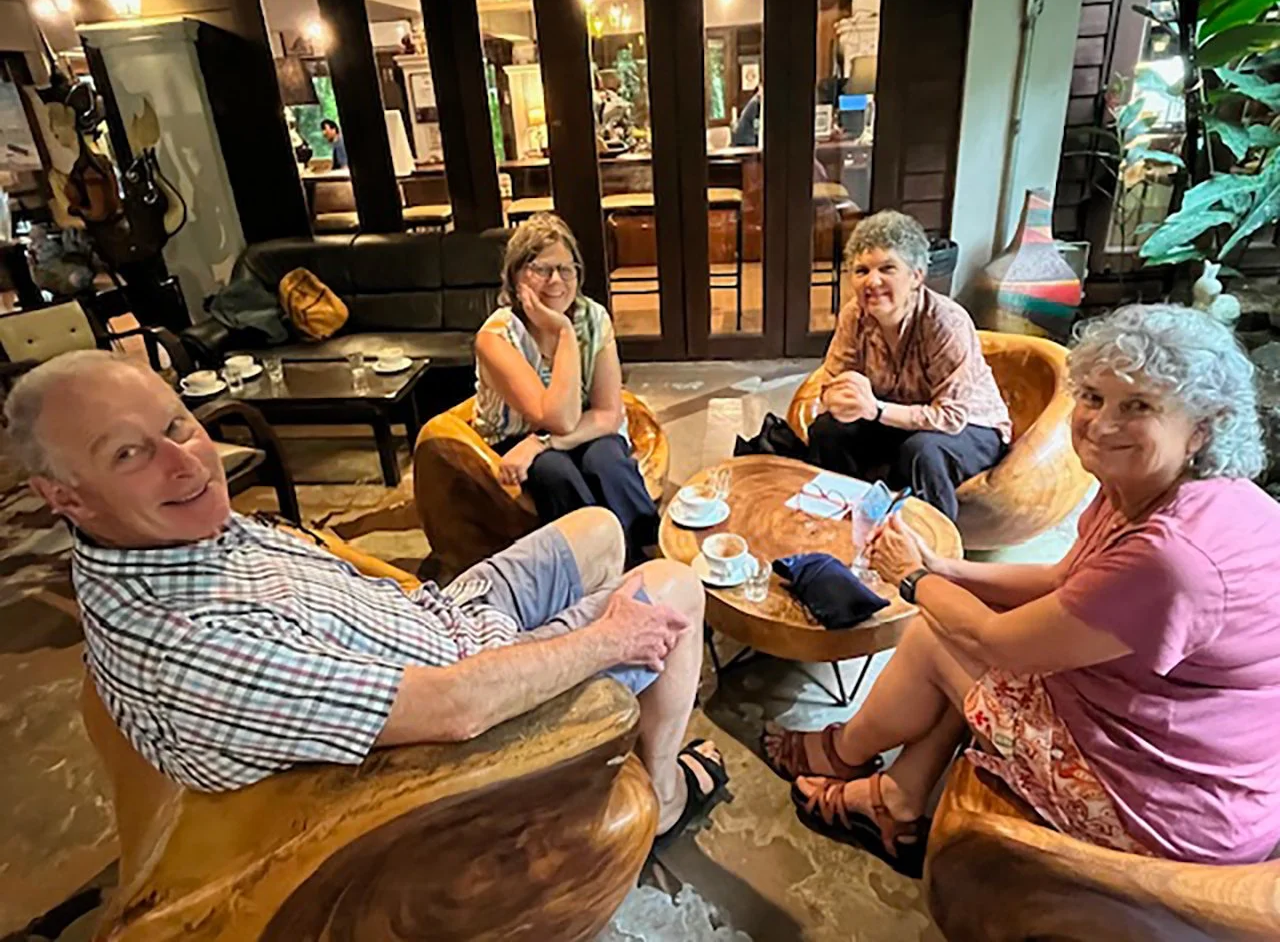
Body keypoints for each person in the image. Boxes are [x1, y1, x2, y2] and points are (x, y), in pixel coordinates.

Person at [4, 351, 729, 846]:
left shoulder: (170, 542)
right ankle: (659, 795)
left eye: (175, 426)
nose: (185, 462)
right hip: (473, 696)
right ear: (64, 496)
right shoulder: (189, 645)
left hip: (437, 618)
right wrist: (609, 638)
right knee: (672, 589)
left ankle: (604, 740)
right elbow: (453, 710)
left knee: (601, 530)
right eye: (128, 454)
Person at [764, 305, 1280, 875]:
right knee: (954, 622)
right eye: (1092, 397)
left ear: (1203, 428)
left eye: (1139, 407)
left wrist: (915, 578)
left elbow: (997, 643)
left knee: (938, 637)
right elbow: (1066, 582)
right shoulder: (1157, 491)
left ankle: (840, 753)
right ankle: (896, 801)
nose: (1102, 424)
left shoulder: (1173, 557)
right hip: (1181, 738)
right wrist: (948, 568)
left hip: (1169, 801)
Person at [474, 213, 659, 559]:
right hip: (516, 436)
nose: (556, 280)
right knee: (556, 473)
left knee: (608, 461)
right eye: (541, 269)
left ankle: (647, 551)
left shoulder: (593, 317)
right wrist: (563, 333)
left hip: (578, 427)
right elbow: (556, 417)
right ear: (516, 277)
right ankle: (594, 564)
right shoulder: (496, 336)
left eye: (566, 268)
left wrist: (541, 443)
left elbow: (606, 414)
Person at [807, 210, 1011, 520]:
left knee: (921, 452)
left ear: (916, 275)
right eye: (861, 271)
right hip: (896, 415)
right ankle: (847, 523)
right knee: (827, 430)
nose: (872, 281)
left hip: (969, 426)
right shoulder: (854, 315)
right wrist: (836, 398)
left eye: (887, 268)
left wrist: (875, 409)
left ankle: (935, 553)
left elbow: (951, 416)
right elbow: (832, 379)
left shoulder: (945, 322)